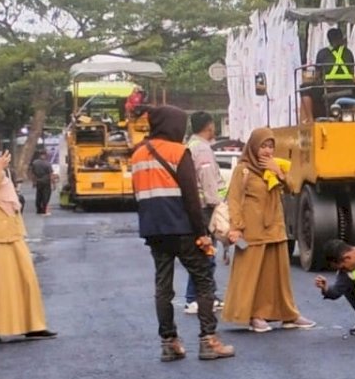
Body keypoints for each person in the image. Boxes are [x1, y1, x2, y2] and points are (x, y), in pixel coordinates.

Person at [131, 105, 234, 361]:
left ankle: (169, 343)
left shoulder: (137, 155)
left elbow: (137, 194)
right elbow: (190, 195)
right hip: (183, 229)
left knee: (163, 287)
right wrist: (202, 233)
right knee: (204, 281)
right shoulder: (178, 151)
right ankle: (208, 340)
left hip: (154, 230)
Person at [0, 128, 57, 345]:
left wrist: (0, 171)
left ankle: (33, 326)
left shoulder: (2, 169)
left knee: (25, 278)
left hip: (11, 230)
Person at [223, 127, 315, 332]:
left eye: (271, 146)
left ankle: (288, 314)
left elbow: (292, 188)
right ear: (253, 147)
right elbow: (235, 200)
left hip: (275, 227)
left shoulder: (275, 166)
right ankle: (255, 315)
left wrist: (278, 172)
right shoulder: (244, 169)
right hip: (252, 230)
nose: (267, 151)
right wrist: (236, 227)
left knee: (278, 275)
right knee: (252, 274)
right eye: (263, 146)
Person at [183, 111, 225, 315]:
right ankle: (194, 298)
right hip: (205, 208)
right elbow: (208, 179)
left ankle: (208, 294)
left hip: (195, 206)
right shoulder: (203, 150)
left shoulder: (191, 146)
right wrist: (216, 204)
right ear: (209, 126)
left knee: (204, 253)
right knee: (205, 254)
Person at [300, 28, 355, 124]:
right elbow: (352, 72)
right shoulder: (349, 52)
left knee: (304, 89)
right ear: (341, 38)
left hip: (329, 88)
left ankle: (310, 119)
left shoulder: (322, 53)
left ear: (328, 39)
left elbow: (317, 75)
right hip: (348, 88)